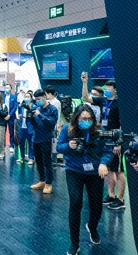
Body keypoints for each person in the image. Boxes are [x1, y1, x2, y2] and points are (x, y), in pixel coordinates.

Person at [57, 105, 113, 255]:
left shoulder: (99, 132)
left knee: (96, 205)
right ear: (77, 118)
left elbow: (108, 150)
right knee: (75, 203)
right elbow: (59, 147)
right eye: (83, 119)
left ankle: (92, 227)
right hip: (74, 170)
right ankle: (74, 244)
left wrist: (103, 163)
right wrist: (68, 146)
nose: (86, 122)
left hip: (94, 171)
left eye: (89, 119)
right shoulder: (67, 129)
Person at [81, 75, 125, 210]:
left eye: (109, 88)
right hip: (105, 137)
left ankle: (120, 199)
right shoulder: (102, 100)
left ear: (115, 89)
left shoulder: (119, 103)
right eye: (106, 88)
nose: (106, 90)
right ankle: (111, 195)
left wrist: (119, 142)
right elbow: (86, 98)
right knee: (109, 169)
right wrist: (85, 83)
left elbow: (123, 124)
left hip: (115, 138)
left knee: (118, 170)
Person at [29, 89, 58, 194]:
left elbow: (51, 123)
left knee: (47, 161)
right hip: (36, 138)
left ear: (45, 97)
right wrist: (31, 117)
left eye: (39, 99)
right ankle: (42, 180)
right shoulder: (37, 109)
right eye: (36, 99)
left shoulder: (52, 109)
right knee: (39, 161)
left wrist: (39, 115)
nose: (38, 101)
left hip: (46, 138)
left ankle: (48, 183)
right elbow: (35, 124)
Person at [17, 91, 35, 165]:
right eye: (25, 97)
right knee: (21, 142)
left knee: (30, 143)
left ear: (31, 98)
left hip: (30, 127)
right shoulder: (22, 106)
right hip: (22, 126)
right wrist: (20, 115)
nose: (26, 98)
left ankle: (31, 158)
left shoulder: (33, 106)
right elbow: (19, 113)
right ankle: (22, 156)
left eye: (28, 97)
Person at [4, 83, 18, 154]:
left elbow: (15, 107)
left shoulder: (14, 97)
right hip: (3, 117)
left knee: (11, 131)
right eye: (6, 88)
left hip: (11, 117)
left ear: (10, 89)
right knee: (2, 132)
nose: (6, 89)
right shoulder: (2, 96)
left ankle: (11, 145)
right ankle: (2, 145)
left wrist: (9, 115)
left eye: (8, 88)